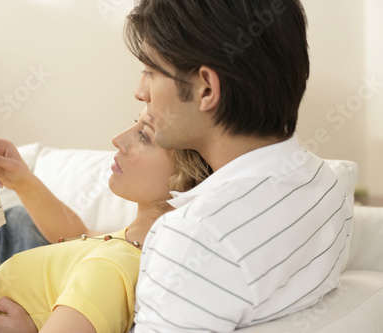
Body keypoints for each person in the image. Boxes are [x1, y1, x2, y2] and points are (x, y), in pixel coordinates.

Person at [122, 0, 354, 331]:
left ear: (206, 89)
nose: (140, 92)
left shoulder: (195, 237)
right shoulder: (324, 182)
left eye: (150, 71)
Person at [0, 109, 211, 333]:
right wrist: (23, 181)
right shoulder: (127, 245)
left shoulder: (114, 268)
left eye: (144, 135)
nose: (118, 139)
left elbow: (101, 270)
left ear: (185, 178)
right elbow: (78, 235)